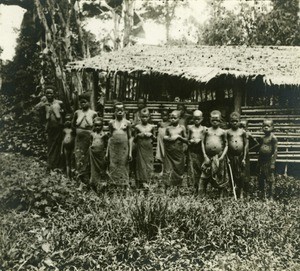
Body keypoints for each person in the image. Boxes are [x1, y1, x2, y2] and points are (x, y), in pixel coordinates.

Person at [199, 110, 229, 197]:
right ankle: (201, 195)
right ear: (210, 120)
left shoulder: (223, 132)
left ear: (220, 120)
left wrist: (222, 156)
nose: (215, 122)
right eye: (213, 120)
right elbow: (202, 143)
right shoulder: (206, 130)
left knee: (220, 176)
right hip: (208, 157)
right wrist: (205, 156)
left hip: (219, 157)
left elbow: (226, 145)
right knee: (204, 176)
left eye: (217, 120)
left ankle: (221, 195)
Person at [36, 85, 64, 171]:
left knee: (58, 145)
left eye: (50, 93)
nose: (49, 95)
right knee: (51, 145)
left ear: (54, 94)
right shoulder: (44, 103)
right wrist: (42, 102)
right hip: (50, 127)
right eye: (47, 93)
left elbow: (65, 112)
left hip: (59, 127)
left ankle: (58, 165)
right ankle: (50, 164)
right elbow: (36, 108)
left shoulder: (59, 103)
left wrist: (61, 112)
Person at [106, 102, 132, 189]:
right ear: (114, 111)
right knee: (113, 165)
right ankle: (113, 185)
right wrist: (107, 152)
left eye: (121, 110)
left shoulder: (127, 123)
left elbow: (130, 138)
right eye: (117, 110)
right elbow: (109, 137)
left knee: (123, 165)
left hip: (124, 148)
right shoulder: (111, 123)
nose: (119, 112)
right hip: (113, 149)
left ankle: (124, 185)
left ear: (124, 111)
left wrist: (130, 152)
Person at [72, 93, 98, 183]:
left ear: (89, 102)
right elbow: (73, 125)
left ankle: (88, 178)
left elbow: (97, 126)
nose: (83, 104)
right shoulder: (77, 112)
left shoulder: (93, 113)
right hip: (79, 139)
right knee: (78, 156)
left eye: (85, 102)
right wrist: (78, 132)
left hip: (89, 138)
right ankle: (79, 177)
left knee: (88, 157)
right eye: (81, 102)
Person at [163, 110, 188, 190]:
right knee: (168, 170)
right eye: (171, 118)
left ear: (179, 118)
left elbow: (186, 139)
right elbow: (164, 138)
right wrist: (168, 138)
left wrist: (178, 137)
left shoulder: (182, 128)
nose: (172, 119)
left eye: (174, 118)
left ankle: (178, 189)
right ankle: (167, 188)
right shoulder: (168, 128)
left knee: (179, 170)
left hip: (178, 153)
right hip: (169, 153)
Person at [227, 112, 248, 198]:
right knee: (232, 173)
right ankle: (233, 190)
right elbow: (226, 145)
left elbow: (246, 145)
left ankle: (241, 191)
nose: (234, 123)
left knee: (241, 174)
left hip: (240, 156)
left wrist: (244, 158)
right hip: (231, 156)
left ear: (239, 121)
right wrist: (227, 157)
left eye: (236, 121)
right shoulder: (227, 132)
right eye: (232, 121)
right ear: (229, 122)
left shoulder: (242, 132)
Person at [134, 108, 155, 190]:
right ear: (140, 117)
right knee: (140, 165)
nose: (144, 118)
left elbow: (155, 138)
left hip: (148, 148)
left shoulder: (151, 127)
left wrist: (151, 135)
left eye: (146, 117)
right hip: (140, 148)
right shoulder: (137, 127)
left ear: (149, 117)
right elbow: (134, 139)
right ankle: (141, 182)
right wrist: (139, 135)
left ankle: (148, 181)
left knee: (149, 164)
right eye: (143, 117)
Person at [257, 119, 277, 200]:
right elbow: (259, 148)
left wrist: (273, 163)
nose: (265, 127)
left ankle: (271, 195)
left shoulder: (273, 138)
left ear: (272, 127)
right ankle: (262, 195)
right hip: (262, 160)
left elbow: (275, 151)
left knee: (270, 179)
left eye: (268, 126)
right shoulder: (262, 138)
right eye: (264, 126)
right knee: (261, 178)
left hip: (269, 160)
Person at [187, 110, 206, 195]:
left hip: (201, 152)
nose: (196, 120)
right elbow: (187, 140)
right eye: (195, 118)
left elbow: (206, 141)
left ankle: (202, 189)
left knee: (201, 169)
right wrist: (190, 141)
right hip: (192, 152)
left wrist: (200, 140)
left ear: (202, 119)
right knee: (193, 171)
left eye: (198, 118)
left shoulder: (204, 129)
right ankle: (194, 188)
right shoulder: (190, 128)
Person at [240, 119, 259, 196]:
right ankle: (238, 189)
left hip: (246, 156)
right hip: (238, 155)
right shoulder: (238, 133)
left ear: (247, 127)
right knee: (239, 173)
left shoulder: (248, 134)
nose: (242, 128)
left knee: (245, 173)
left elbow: (256, 144)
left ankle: (246, 191)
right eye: (240, 126)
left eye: (244, 126)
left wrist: (248, 149)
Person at [89, 117, 109, 193]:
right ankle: (94, 185)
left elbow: (107, 146)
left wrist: (106, 154)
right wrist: (91, 149)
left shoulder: (104, 135)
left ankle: (102, 187)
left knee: (102, 170)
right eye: (96, 125)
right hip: (93, 155)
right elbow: (91, 143)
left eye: (99, 125)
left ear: (102, 126)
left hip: (101, 156)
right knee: (94, 171)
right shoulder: (92, 134)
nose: (97, 127)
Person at [61, 114, 75, 179]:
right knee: (67, 161)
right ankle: (68, 176)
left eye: (69, 120)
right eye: (67, 120)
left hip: (72, 146)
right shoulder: (64, 130)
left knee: (72, 161)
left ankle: (72, 176)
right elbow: (62, 140)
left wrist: (75, 148)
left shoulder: (73, 130)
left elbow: (75, 139)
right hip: (66, 147)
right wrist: (61, 150)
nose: (68, 122)